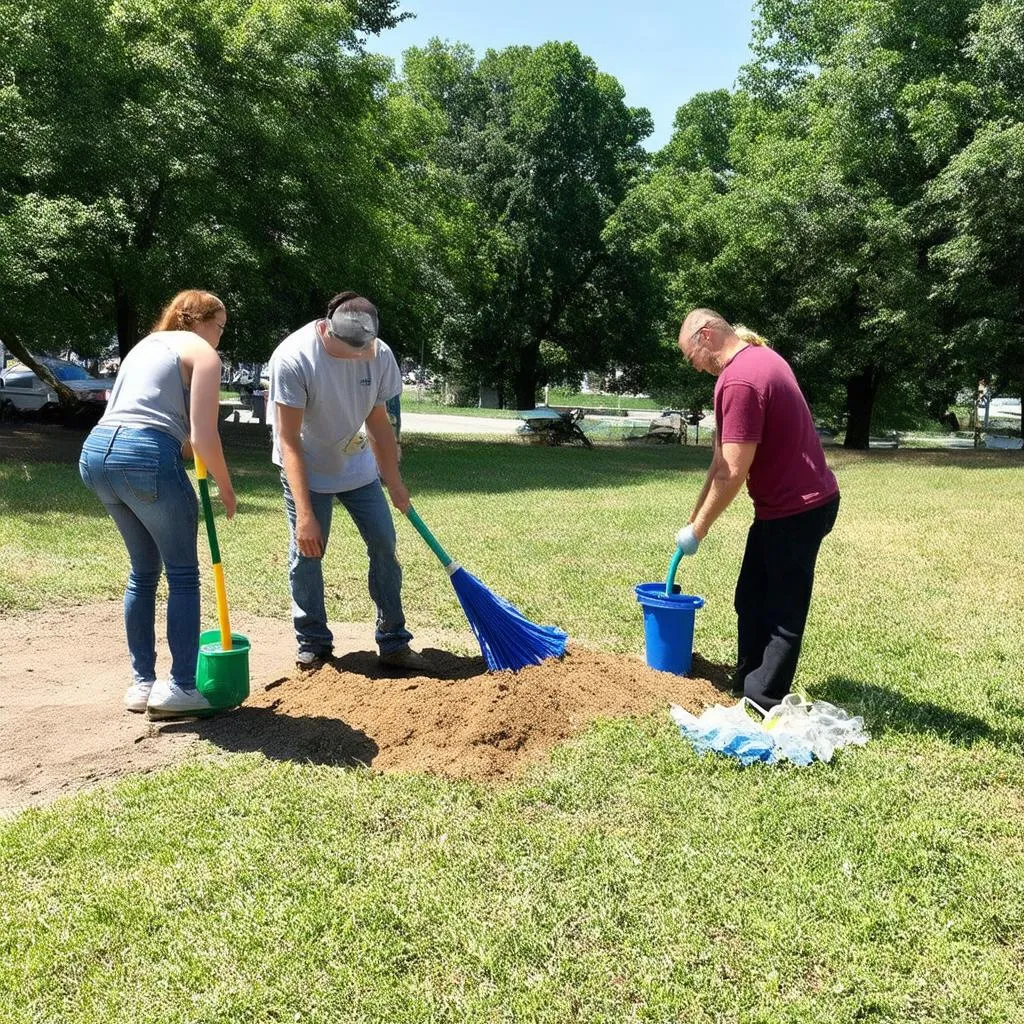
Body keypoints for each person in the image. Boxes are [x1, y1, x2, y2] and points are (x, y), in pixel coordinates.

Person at [79, 290, 236, 716]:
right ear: (199, 323)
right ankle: (181, 687)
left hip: (96, 454)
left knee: (144, 572)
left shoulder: (145, 347)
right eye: (219, 326)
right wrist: (226, 485)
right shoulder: (203, 354)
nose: (220, 337)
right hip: (143, 455)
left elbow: (174, 437)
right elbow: (203, 437)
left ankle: (141, 683)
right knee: (183, 574)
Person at [675, 308, 840, 711]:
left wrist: (699, 532)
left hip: (800, 509)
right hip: (780, 508)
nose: (695, 368)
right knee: (751, 596)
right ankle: (749, 674)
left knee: (782, 606)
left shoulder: (742, 379)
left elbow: (733, 471)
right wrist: (694, 520)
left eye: (690, 357)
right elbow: (718, 461)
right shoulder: (752, 361)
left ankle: (764, 697)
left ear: (707, 335)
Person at [268, 291, 428, 671]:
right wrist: (305, 514)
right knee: (307, 552)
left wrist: (395, 481)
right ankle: (314, 642)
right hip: (305, 467)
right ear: (326, 331)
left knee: (384, 542)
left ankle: (393, 640)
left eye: (365, 349)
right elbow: (288, 440)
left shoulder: (378, 353)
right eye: (350, 350)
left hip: (357, 467)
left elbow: (378, 423)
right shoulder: (294, 358)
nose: (359, 357)